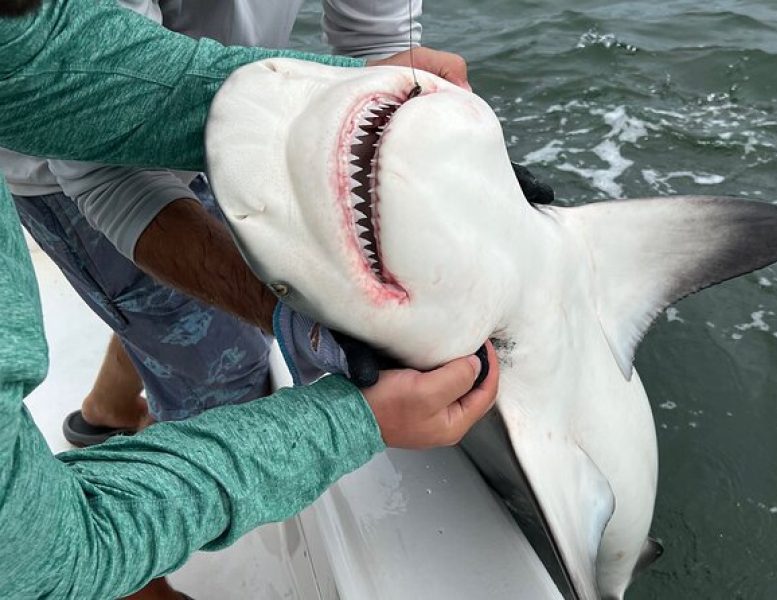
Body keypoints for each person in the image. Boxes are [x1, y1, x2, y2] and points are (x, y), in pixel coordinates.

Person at [0, 1, 498, 598]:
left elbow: (51, 58)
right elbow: (47, 560)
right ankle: (140, 590)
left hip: (194, 91)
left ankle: (106, 411)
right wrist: (352, 416)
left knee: (177, 316)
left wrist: (376, 105)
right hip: (65, 178)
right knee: (226, 379)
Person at [0, 0, 459, 447]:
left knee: (183, 305)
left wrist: (409, 120)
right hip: (63, 163)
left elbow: (382, 44)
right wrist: (295, 324)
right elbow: (104, 171)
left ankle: (107, 408)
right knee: (230, 387)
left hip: (244, 110)